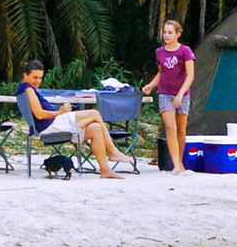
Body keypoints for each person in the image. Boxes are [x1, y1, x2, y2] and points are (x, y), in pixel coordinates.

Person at [17, 60, 132, 179]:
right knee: (95, 113)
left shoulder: (25, 89)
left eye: (40, 78)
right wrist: (60, 112)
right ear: (25, 75)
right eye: (35, 77)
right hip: (50, 126)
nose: (37, 81)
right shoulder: (28, 90)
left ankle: (105, 170)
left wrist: (61, 111)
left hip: (51, 125)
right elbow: (40, 114)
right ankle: (112, 151)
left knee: (96, 128)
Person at [141, 20, 195, 175]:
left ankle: (180, 162)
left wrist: (180, 94)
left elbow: (190, 75)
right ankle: (176, 164)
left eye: (170, 32)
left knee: (181, 130)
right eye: (164, 32)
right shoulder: (160, 52)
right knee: (170, 128)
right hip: (165, 93)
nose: (166, 35)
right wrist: (151, 85)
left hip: (182, 94)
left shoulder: (185, 51)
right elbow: (161, 72)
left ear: (178, 34)